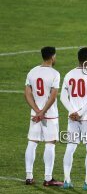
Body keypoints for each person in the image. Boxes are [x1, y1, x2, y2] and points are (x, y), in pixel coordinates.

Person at [60, 47, 87, 190]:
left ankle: (66, 180)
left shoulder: (69, 74)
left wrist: (73, 111)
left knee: (70, 146)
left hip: (72, 117)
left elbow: (63, 97)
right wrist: (81, 112)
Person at [24, 46, 62, 186]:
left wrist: (37, 111)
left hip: (35, 115)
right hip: (49, 115)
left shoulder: (32, 72)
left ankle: (29, 176)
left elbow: (27, 94)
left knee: (32, 142)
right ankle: (48, 178)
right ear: (52, 57)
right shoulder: (55, 74)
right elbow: (52, 97)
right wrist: (42, 112)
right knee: (50, 143)